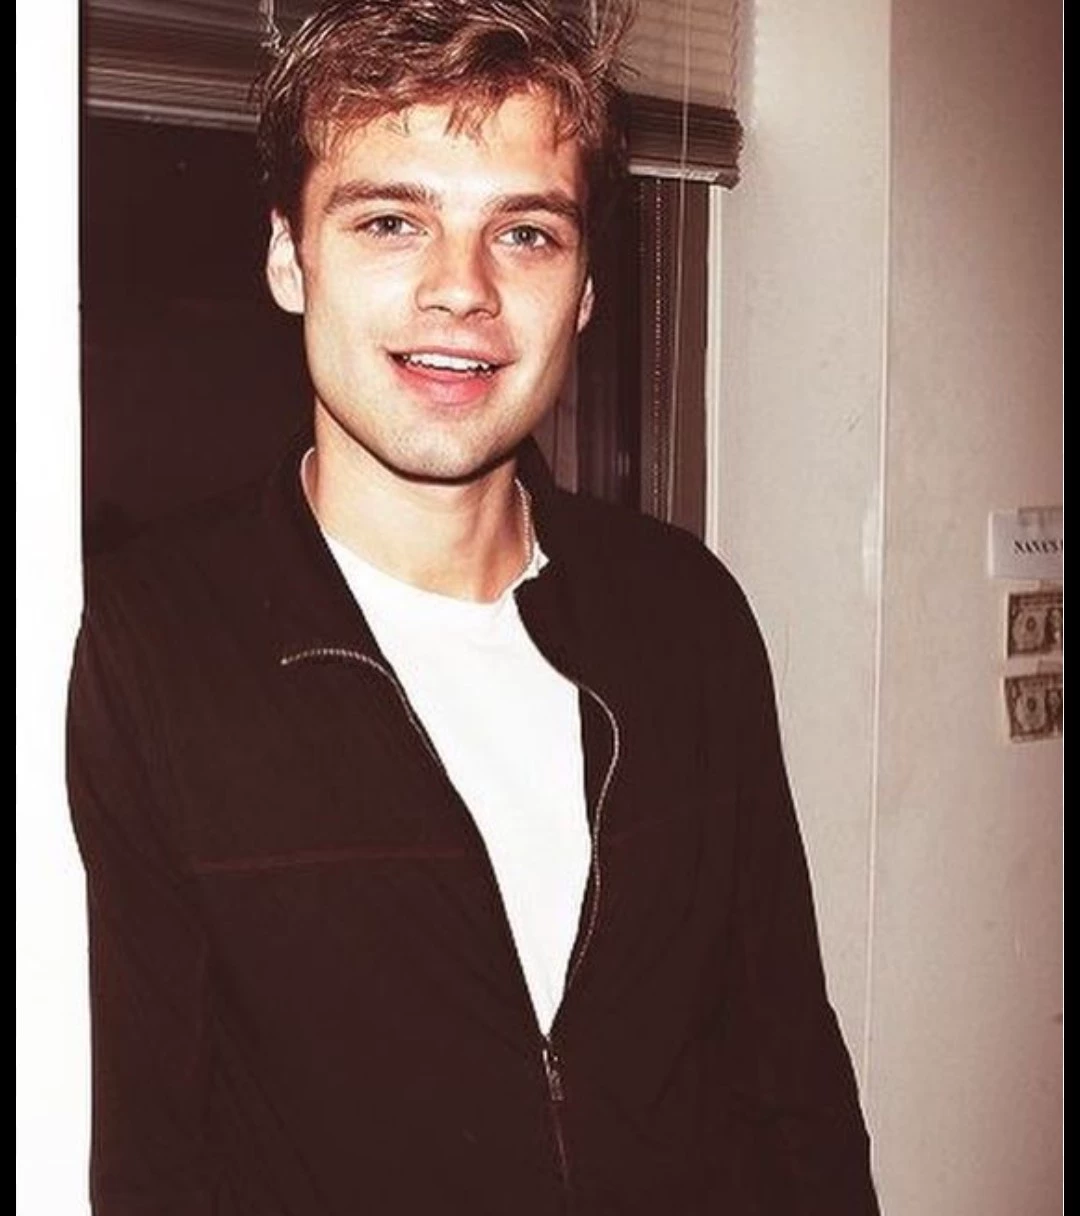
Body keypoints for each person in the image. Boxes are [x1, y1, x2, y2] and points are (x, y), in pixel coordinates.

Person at [67, 1, 878, 1211]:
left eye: (527, 233)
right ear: (290, 256)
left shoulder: (686, 615)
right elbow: (152, 1153)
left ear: (586, 289)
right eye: (392, 221)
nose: (463, 290)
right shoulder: (162, 641)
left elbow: (791, 1076)